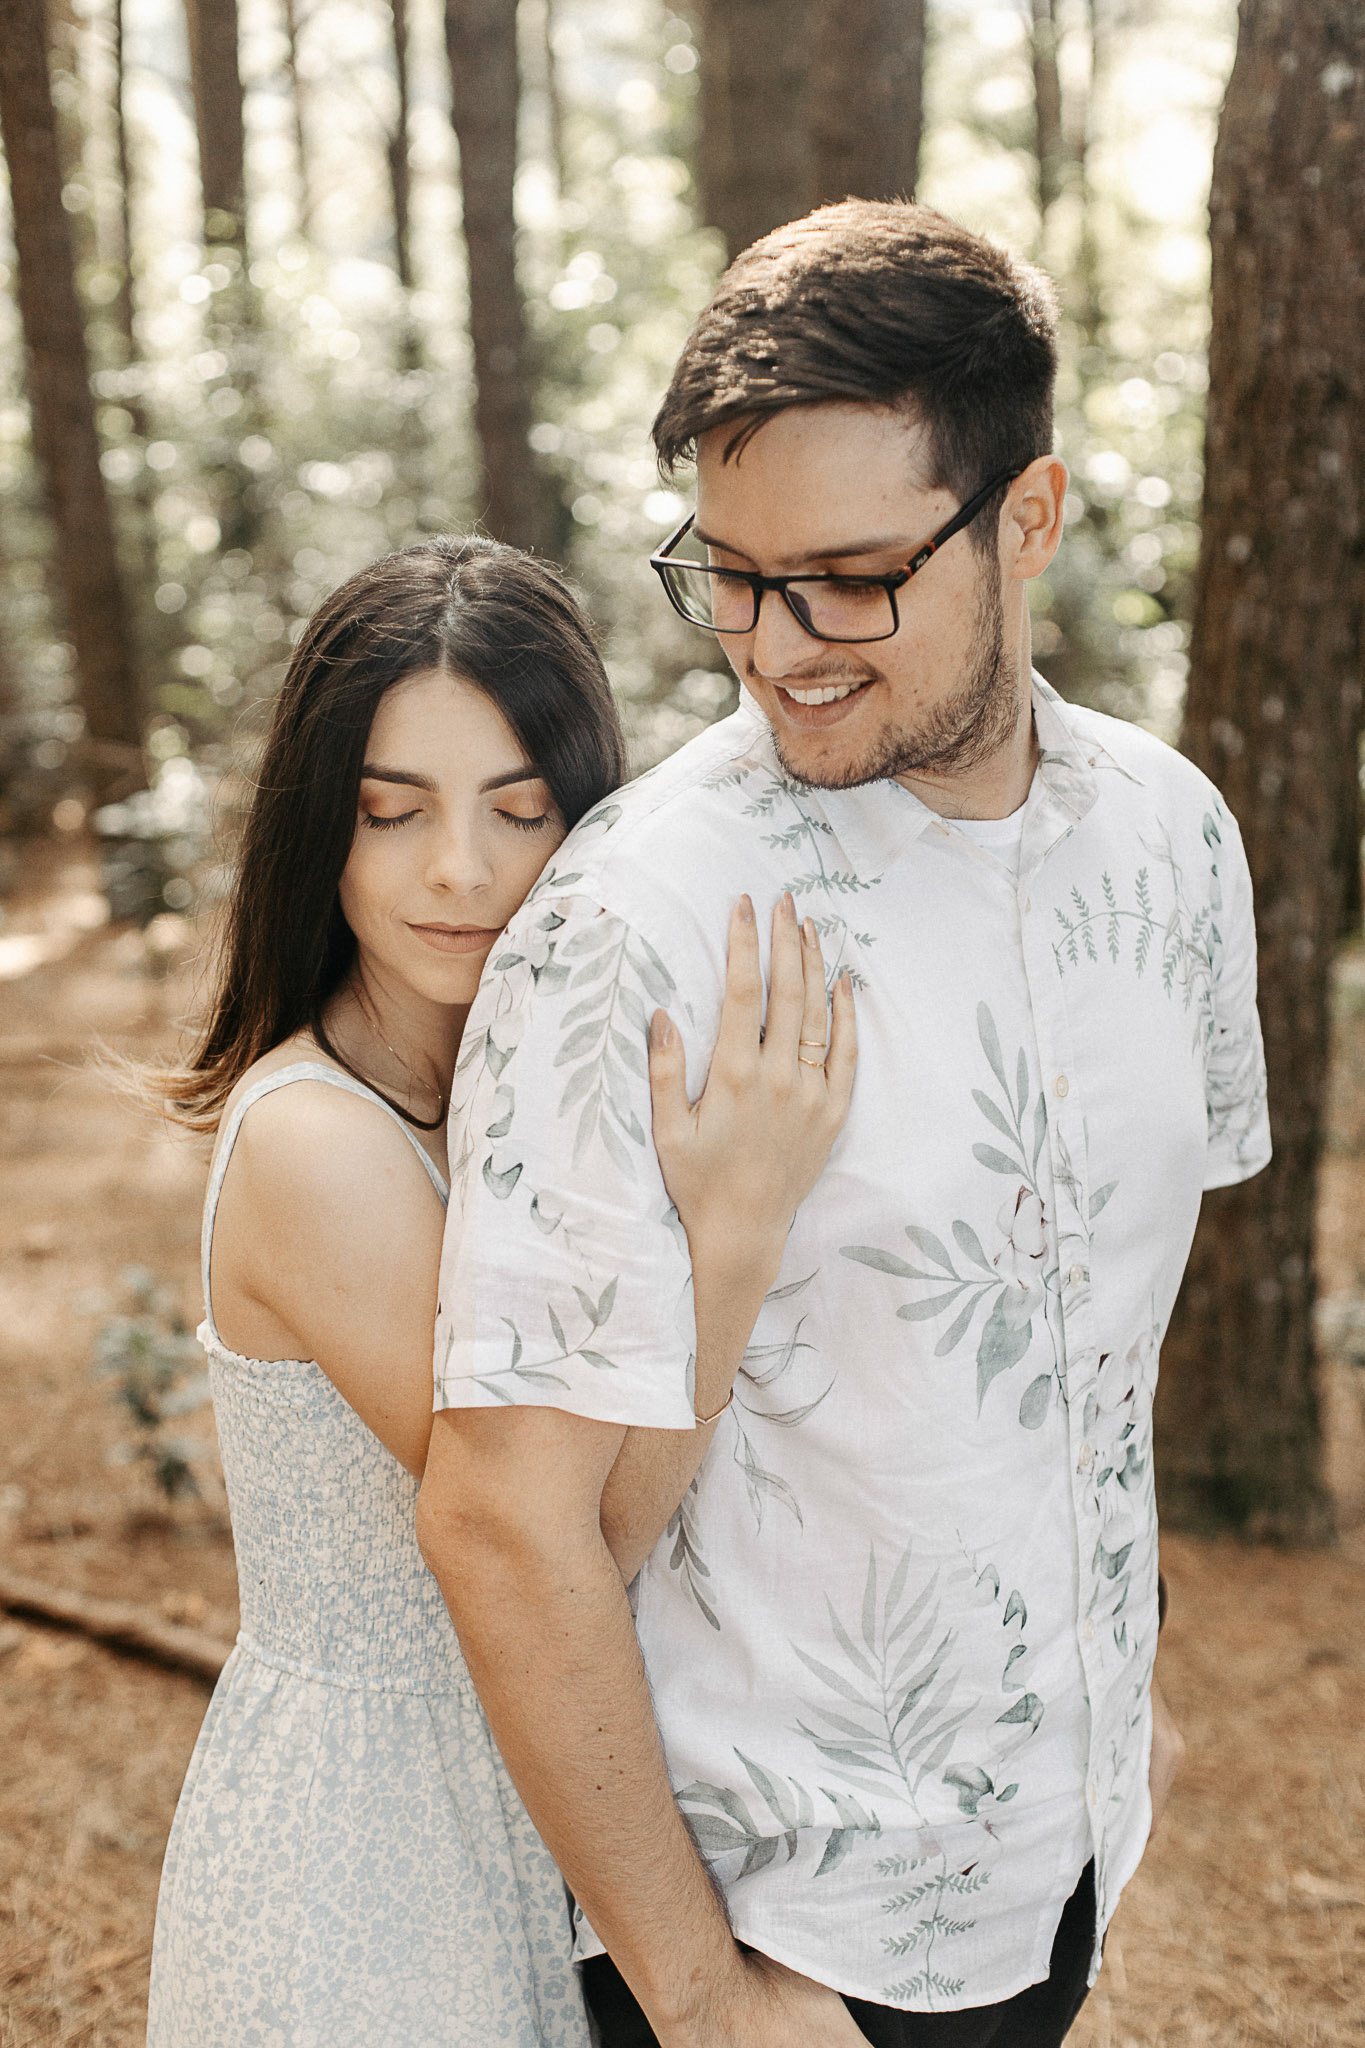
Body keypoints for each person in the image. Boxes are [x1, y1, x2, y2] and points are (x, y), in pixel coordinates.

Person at [418, 201, 1269, 2048]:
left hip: (1060, 1860)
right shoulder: (632, 921)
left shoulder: (1178, 843)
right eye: (727, 575)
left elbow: (1095, 1335)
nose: (773, 644)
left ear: (1026, 519)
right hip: (775, 1934)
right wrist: (699, 1997)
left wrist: (1105, 1702)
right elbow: (500, 1520)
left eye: (849, 578)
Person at [144, 536, 855, 2047]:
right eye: (390, 811)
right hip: (376, 1849)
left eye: (518, 810)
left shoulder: (519, 1103)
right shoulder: (321, 1146)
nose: (458, 868)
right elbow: (565, 1539)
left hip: (557, 1792)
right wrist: (734, 1238)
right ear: (317, 830)